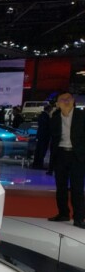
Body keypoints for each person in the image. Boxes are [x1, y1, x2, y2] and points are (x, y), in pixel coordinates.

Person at [47, 92, 85, 228]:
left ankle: (79, 218)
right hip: (61, 155)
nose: (66, 101)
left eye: (68, 98)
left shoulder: (82, 116)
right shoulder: (55, 118)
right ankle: (63, 213)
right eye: (63, 99)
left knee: (77, 188)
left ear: (73, 101)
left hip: (77, 156)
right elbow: (53, 139)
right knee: (61, 187)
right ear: (58, 104)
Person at [31, 104, 52, 170]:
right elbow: (47, 127)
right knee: (42, 150)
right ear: (49, 109)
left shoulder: (41, 115)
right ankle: (39, 164)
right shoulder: (46, 116)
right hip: (44, 136)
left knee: (38, 150)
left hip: (40, 136)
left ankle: (36, 163)